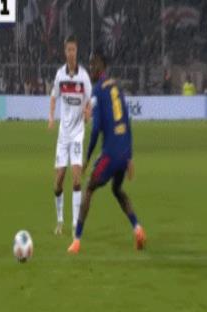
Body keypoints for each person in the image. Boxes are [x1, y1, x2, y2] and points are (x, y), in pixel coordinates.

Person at [67, 51, 146, 254]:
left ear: (101, 66)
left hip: (110, 154)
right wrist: (130, 156)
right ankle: (137, 228)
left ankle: (76, 241)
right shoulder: (117, 86)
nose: (90, 68)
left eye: (93, 64)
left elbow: (96, 129)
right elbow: (127, 120)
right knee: (117, 190)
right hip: (123, 151)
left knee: (89, 188)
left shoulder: (97, 91)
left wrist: (87, 159)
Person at [48, 35, 92, 236]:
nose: (71, 53)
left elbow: (89, 100)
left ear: (77, 51)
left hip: (77, 134)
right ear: (65, 52)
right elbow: (53, 97)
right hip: (63, 135)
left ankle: (75, 224)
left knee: (76, 178)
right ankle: (60, 220)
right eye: (68, 50)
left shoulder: (84, 76)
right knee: (59, 179)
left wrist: (88, 113)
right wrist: (51, 117)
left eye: (73, 50)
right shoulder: (60, 75)